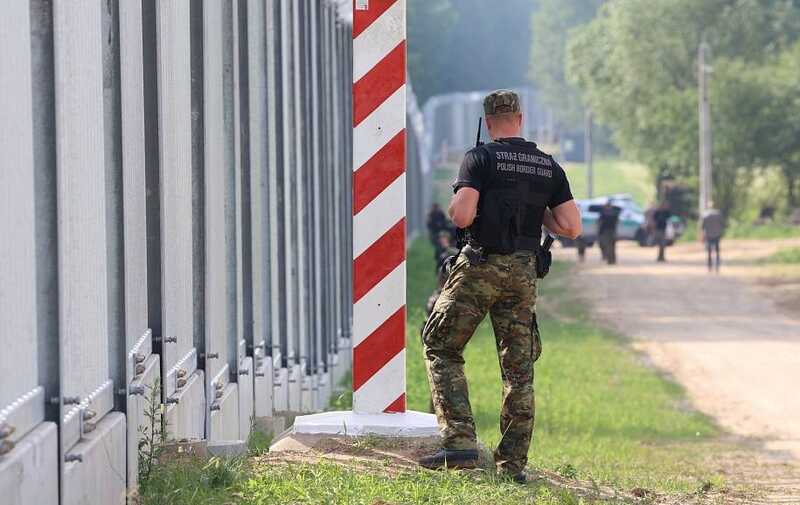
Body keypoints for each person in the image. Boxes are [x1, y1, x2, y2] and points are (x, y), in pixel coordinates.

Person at [418, 90, 582, 483]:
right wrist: (532, 209)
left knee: (441, 345)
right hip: (524, 275)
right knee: (518, 369)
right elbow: (571, 227)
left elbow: (461, 216)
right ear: (520, 119)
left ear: (489, 122)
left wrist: (475, 199)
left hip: (480, 268)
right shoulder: (548, 167)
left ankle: (459, 442)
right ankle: (512, 467)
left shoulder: (480, 158)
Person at [701, 206, 724, 272]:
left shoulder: (706, 216)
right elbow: (722, 225)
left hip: (709, 235)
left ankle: (710, 266)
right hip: (717, 235)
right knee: (717, 251)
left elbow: (703, 227)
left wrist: (702, 236)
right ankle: (717, 265)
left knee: (709, 252)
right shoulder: (718, 215)